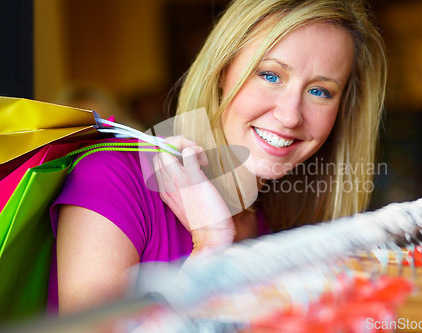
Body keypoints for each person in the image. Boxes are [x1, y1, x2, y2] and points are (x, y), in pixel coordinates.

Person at [49, 0, 386, 315]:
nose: (291, 116)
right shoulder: (112, 177)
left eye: (320, 91)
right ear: (223, 71)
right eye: (270, 75)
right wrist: (211, 244)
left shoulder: (272, 221)